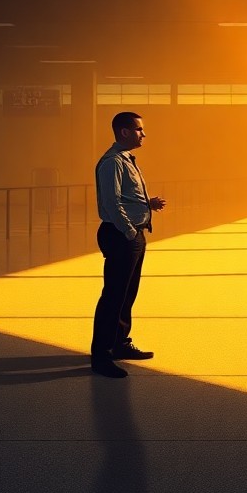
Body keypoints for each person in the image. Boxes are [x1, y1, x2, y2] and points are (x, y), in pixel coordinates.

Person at [90, 111, 167, 378]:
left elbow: (125, 197)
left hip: (131, 235)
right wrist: (129, 231)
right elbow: (112, 203)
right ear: (124, 132)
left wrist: (147, 204)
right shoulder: (112, 163)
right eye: (138, 129)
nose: (143, 134)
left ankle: (119, 343)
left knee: (127, 294)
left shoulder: (126, 160)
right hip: (121, 235)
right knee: (113, 296)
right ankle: (101, 356)